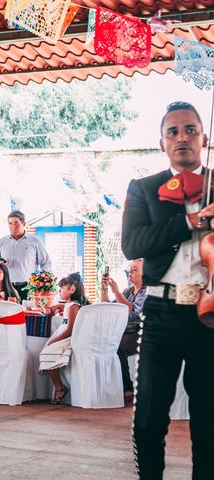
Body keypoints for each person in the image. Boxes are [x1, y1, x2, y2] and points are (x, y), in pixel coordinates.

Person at [122, 101, 214, 479]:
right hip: (160, 314)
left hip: (210, 316)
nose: (182, 137)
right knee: (148, 418)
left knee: (209, 418)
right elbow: (133, 243)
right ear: (162, 142)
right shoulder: (144, 188)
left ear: (204, 138)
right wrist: (189, 221)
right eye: (173, 131)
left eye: (190, 129)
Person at [39, 273, 89, 404]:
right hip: (64, 333)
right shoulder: (70, 304)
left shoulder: (73, 306)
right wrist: (56, 307)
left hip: (68, 337)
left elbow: (70, 330)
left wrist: (54, 340)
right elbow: (64, 306)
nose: (60, 290)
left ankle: (60, 388)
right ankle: (59, 387)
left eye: (62, 288)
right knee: (46, 352)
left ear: (72, 290)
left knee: (46, 353)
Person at [100, 259, 147, 399]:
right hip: (123, 330)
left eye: (135, 270)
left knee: (116, 344)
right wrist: (104, 290)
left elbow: (132, 312)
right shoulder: (128, 291)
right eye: (130, 269)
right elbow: (108, 306)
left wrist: (116, 291)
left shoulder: (146, 292)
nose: (130, 272)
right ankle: (108, 386)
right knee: (104, 340)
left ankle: (127, 387)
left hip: (140, 332)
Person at [0, 210, 52, 301]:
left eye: (16, 223)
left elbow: (46, 262)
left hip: (28, 288)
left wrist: (42, 280)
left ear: (24, 223)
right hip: (5, 287)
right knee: (6, 313)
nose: (13, 227)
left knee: (26, 314)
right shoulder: (2, 242)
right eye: (10, 223)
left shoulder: (35, 242)